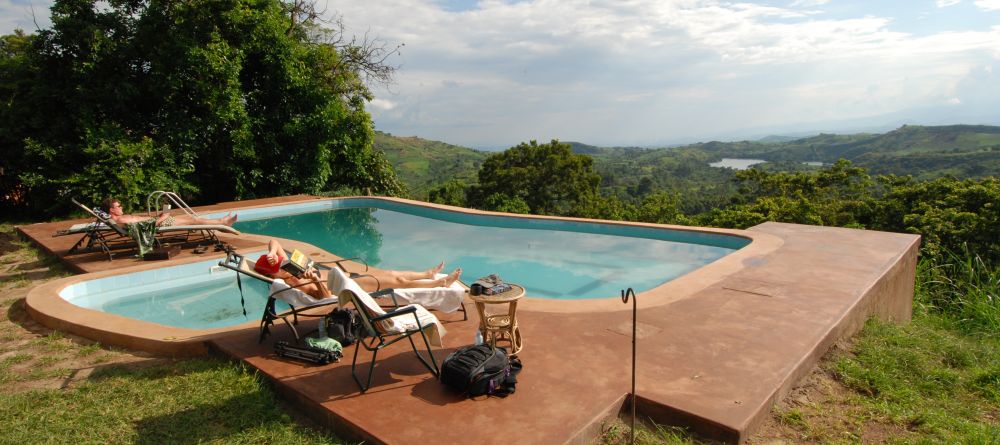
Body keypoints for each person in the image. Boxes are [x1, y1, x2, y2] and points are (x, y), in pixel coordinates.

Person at [254, 239, 462, 301]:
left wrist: (272, 252)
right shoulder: (296, 283)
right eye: (278, 266)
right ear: (274, 274)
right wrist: (315, 280)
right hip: (348, 286)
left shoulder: (288, 268)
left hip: (348, 276)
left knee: (391, 273)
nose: (283, 264)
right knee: (397, 282)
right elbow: (325, 298)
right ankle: (440, 283)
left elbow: (274, 242)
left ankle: (427, 274)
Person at [101, 197, 237, 227]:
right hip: (160, 223)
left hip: (159, 219)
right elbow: (145, 227)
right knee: (193, 220)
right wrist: (162, 218)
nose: (122, 207)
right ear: (112, 210)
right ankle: (223, 222)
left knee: (190, 217)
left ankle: (221, 221)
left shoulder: (121, 218)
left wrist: (161, 215)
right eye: (119, 206)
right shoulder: (122, 220)